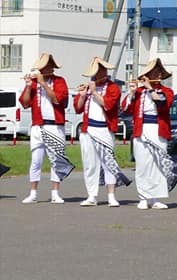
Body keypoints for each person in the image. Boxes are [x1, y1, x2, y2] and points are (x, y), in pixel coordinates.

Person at [121, 58, 177, 210]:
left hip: (158, 129)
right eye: (154, 72)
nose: (157, 75)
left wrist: (150, 88)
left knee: (158, 163)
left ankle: (156, 198)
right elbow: (126, 109)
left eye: (159, 72)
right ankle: (143, 197)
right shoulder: (139, 92)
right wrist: (132, 92)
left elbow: (162, 105)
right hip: (142, 129)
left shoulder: (167, 91)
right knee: (143, 165)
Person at [74, 56, 130, 207]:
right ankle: (91, 195)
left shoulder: (113, 88)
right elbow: (78, 109)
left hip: (104, 129)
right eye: (97, 71)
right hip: (88, 129)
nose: (99, 74)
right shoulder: (87, 87)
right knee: (89, 164)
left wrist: (94, 92)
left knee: (108, 162)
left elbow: (108, 104)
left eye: (102, 71)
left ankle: (111, 195)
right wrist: (83, 95)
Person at [19, 53, 74, 204]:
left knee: (56, 159)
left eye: (49, 66)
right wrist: (29, 87)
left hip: (55, 125)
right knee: (35, 160)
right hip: (38, 125)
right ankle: (33, 193)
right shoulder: (34, 83)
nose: (46, 69)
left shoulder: (60, 81)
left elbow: (58, 100)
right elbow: (24, 103)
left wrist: (43, 83)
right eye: (43, 67)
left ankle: (55, 192)